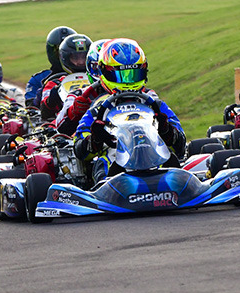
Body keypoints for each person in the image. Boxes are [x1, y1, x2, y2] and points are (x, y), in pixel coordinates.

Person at [73, 38, 185, 185]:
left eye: (133, 74)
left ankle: (174, 183)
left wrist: (166, 131)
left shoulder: (154, 102)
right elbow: (79, 148)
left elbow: (181, 144)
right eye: (121, 75)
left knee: (169, 155)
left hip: (153, 152)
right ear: (104, 72)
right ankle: (108, 188)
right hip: (117, 156)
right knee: (107, 159)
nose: (127, 82)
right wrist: (95, 140)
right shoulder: (99, 107)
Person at [55, 38, 111, 135]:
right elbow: (59, 125)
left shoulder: (143, 94)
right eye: (107, 70)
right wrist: (73, 112)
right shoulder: (79, 95)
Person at [39, 33, 91, 121]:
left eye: (84, 57)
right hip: (64, 123)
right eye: (75, 58)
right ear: (65, 58)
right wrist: (51, 99)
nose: (81, 62)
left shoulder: (98, 79)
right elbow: (45, 113)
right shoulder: (54, 83)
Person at [25, 26, 76, 107]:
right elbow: (31, 110)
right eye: (59, 52)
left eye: (71, 54)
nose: (63, 57)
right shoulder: (39, 79)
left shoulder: (91, 77)